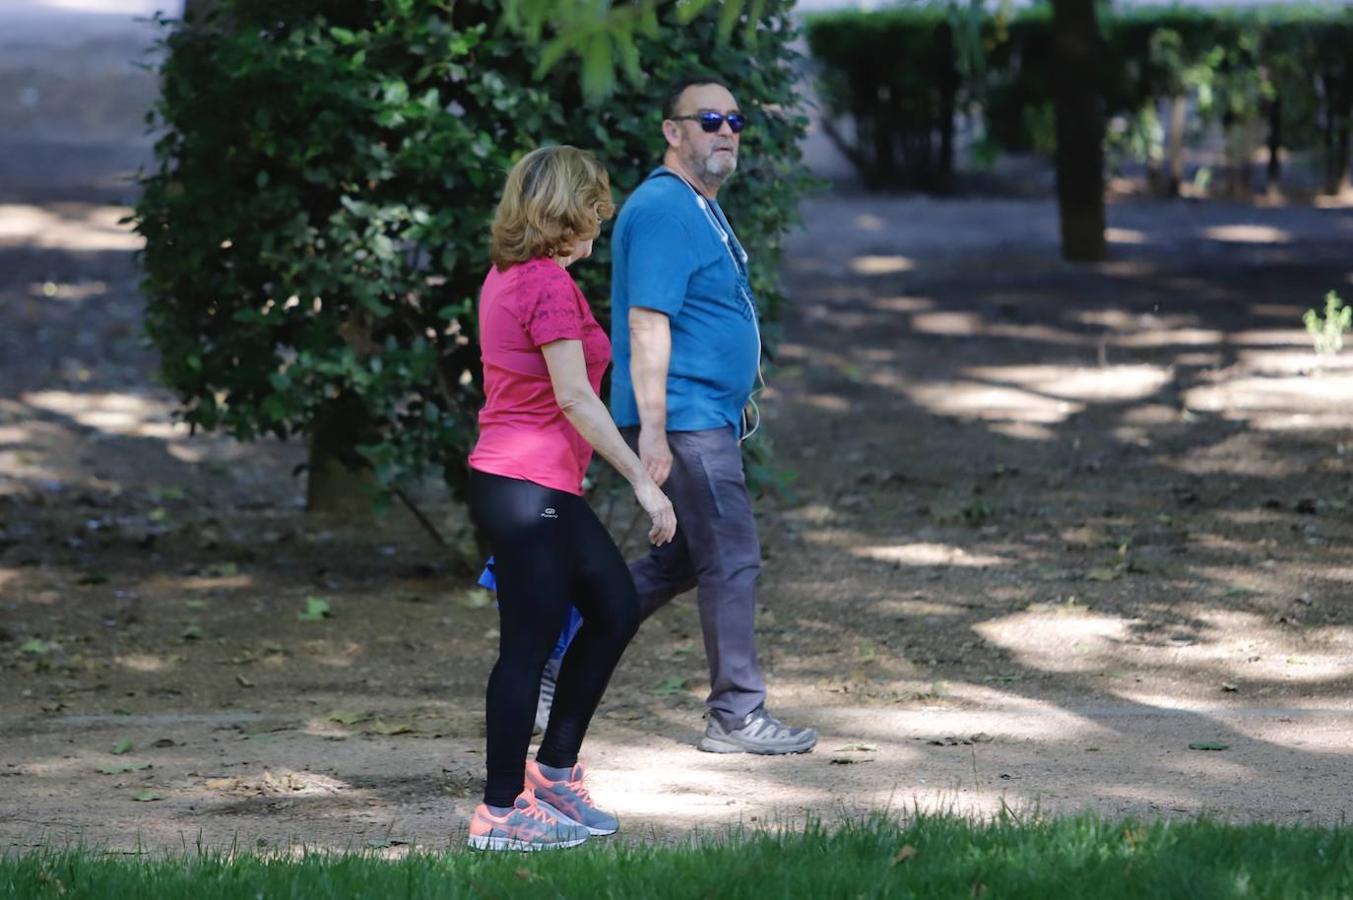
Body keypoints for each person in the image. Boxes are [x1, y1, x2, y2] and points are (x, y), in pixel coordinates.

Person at [540, 76, 818, 755]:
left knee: (678, 563)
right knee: (731, 555)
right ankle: (735, 714)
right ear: (673, 132)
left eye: (736, 120)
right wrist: (656, 432)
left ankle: (552, 660)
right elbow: (645, 324)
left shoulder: (697, 206)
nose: (726, 131)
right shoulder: (664, 208)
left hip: (704, 415)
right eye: (708, 120)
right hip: (685, 420)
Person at [464, 145, 676, 852]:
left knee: (614, 605)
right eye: (594, 204)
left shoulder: (509, 274)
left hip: (531, 483)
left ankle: (554, 772)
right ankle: (498, 811)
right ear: (569, 209)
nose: (602, 216)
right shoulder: (546, 286)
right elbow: (576, 399)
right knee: (524, 647)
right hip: (526, 487)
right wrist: (645, 483)